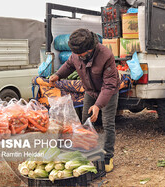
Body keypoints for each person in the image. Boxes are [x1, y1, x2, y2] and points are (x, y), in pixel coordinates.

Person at [49, 28, 120, 172]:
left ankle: (108, 156)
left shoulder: (106, 55)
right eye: (77, 54)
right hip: (90, 91)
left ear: (91, 48)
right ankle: (88, 151)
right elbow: (69, 65)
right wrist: (58, 74)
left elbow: (109, 85)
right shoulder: (76, 55)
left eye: (81, 54)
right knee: (85, 120)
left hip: (108, 92)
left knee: (107, 123)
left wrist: (98, 105)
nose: (79, 56)